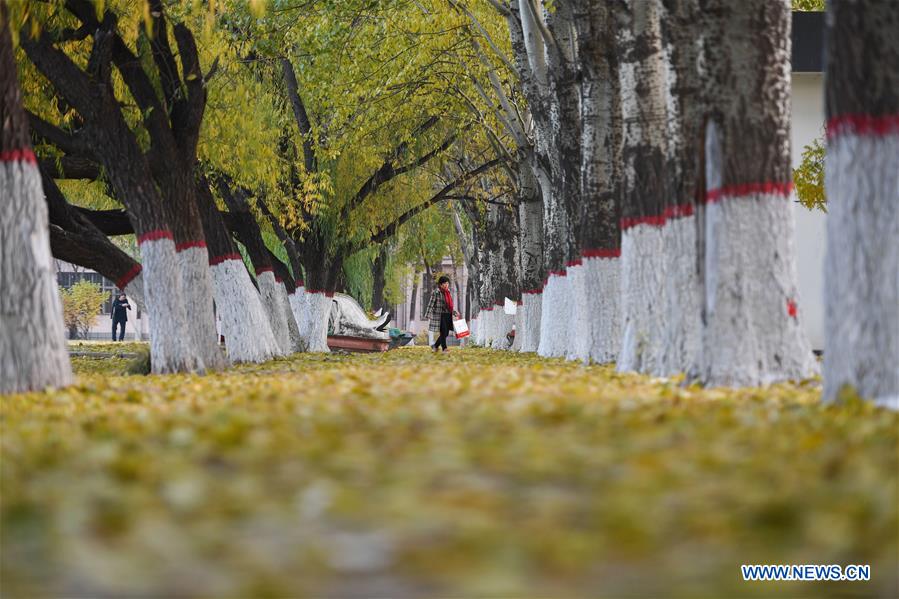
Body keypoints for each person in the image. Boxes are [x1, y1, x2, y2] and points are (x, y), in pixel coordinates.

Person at [424, 275, 459, 353]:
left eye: (447, 283)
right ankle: (444, 348)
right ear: (440, 284)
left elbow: (449, 305)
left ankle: (435, 346)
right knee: (443, 331)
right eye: (444, 283)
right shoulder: (436, 292)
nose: (446, 285)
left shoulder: (448, 292)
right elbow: (431, 304)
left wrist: (454, 312)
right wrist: (428, 314)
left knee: (446, 333)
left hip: (448, 315)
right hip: (440, 315)